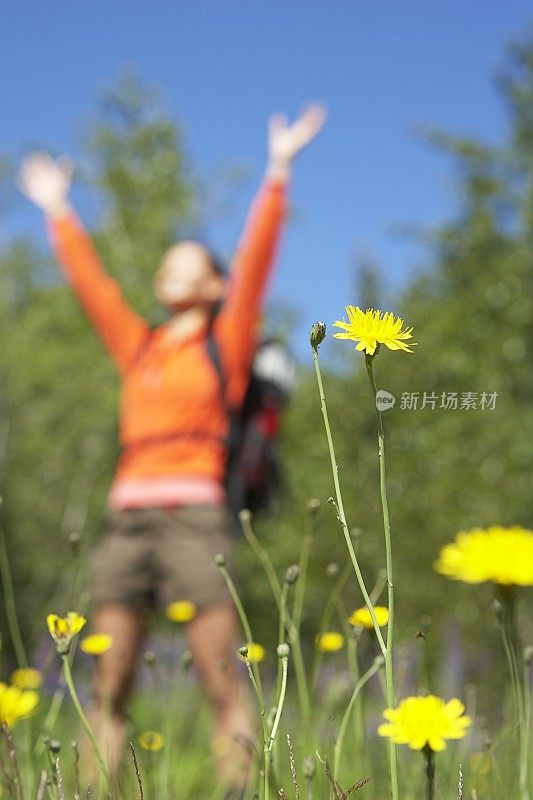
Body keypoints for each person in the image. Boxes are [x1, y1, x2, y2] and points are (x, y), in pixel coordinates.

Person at [18, 104, 325, 792]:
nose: (171, 270)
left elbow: (254, 262)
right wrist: (58, 209)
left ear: (214, 288)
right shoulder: (141, 349)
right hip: (126, 520)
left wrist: (276, 171)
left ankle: (238, 790)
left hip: (195, 516)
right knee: (107, 682)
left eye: (187, 263)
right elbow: (94, 289)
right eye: (167, 264)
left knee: (221, 681)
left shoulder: (227, 344)